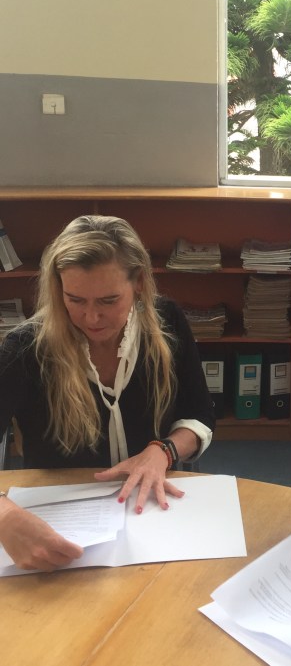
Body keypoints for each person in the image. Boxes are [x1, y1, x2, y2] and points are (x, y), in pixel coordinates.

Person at [0, 215, 215, 571]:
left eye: (109, 300)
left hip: (154, 517)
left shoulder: (167, 322)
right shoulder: (25, 348)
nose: (91, 317)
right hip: (59, 528)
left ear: (139, 283)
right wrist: (5, 515)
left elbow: (200, 415)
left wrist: (164, 450)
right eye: (75, 299)